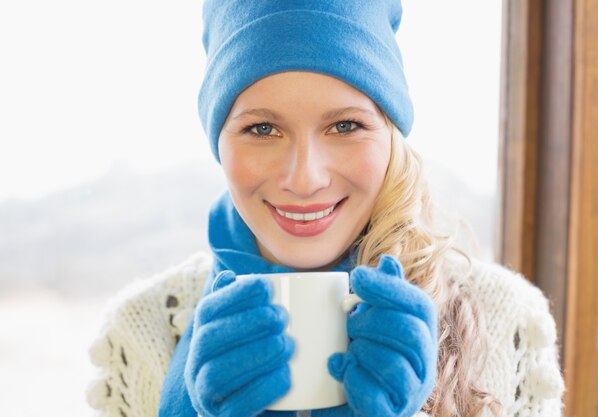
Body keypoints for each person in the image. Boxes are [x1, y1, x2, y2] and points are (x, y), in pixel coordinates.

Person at [86, 1, 565, 416]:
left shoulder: (507, 321)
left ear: (390, 134)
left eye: (345, 126)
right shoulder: (141, 329)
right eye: (262, 130)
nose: (304, 178)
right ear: (218, 142)